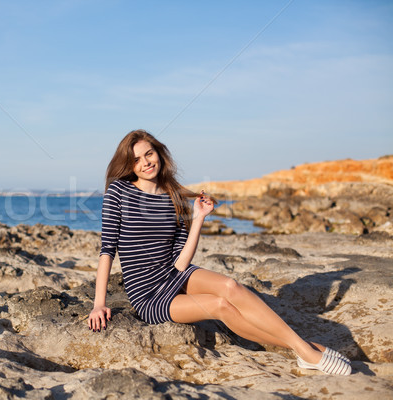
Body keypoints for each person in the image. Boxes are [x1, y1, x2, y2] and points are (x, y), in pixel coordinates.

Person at [87, 129, 351, 375]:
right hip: (148, 294)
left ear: (159, 153)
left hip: (174, 273)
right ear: (128, 164)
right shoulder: (119, 192)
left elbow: (181, 263)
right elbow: (107, 249)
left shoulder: (174, 197)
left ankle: (303, 349)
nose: (145, 162)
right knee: (220, 305)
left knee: (231, 286)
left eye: (149, 154)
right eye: (136, 159)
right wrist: (99, 303)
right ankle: (304, 350)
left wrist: (199, 217)